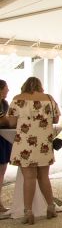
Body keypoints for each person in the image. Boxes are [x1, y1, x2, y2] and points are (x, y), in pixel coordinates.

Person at [4, 77, 60, 225]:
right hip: (44, 143)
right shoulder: (49, 98)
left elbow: (12, 122)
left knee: (29, 178)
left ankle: (28, 212)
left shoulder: (18, 99)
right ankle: (50, 207)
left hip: (25, 144)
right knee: (44, 177)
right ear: (40, 86)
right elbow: (56, 120)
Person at [0, 80, 11, 214]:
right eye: (6, 88)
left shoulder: (4, 103)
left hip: (3, 139)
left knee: (2, 171)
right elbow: (4, 120)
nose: (8, 90)